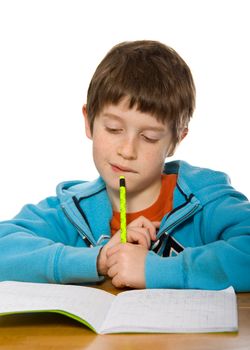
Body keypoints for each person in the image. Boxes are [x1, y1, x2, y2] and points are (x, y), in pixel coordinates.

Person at [0, 40, 249, 292]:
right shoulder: (70, 210)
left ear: (177, 139)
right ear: (89, 122)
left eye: (149, 137)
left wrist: (156, 270)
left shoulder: (204, 199)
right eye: (113, 129)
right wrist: (98, 260)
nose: (127, 151)